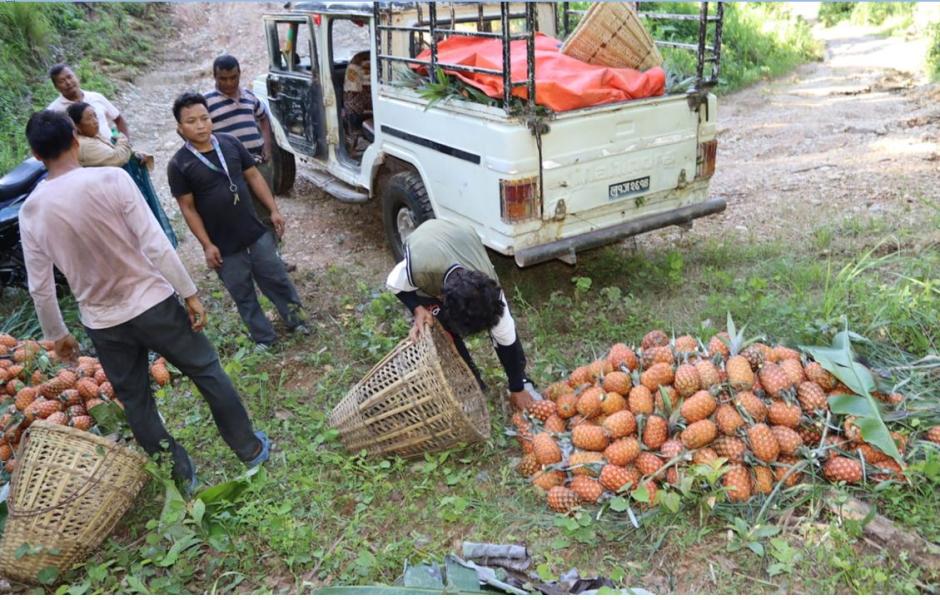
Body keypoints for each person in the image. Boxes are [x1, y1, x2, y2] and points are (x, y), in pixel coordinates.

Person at [20, 110, 270, 491]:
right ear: (75, 141)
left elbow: (41, 286)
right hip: (152, 303)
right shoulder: (110, 178)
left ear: (36, 156)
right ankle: (250, 450)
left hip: (103, 321)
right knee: (207, 371)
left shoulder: (32, 210)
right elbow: (154, 243)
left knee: (137, 401)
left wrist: (58, 334)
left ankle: (181, 479)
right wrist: (189, 292)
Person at [167, 92, 308, 349]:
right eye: (191, 121)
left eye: (204, 118)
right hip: (223, 244)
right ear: (180, 128)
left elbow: (253, 176)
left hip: (254, 231)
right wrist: (207, 245)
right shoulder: (179, 164)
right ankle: (265, 338)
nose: (200, 125)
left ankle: (297, 320)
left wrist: (273, 210)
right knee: (243, 294)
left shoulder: (229, 143)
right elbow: (187, 208)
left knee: (276, 277)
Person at [385, 219, 536, 408]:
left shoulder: (489, 287)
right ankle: (471, 382)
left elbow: (507, 338)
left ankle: (521, 378)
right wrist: (417, 309)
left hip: (458, 235)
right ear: (441, 297)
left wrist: (517, 387)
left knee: (504, 333)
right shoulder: (419, 270)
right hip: (426, 241)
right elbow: (393, 284)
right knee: (443, 330)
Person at [66, 101, 178, 247]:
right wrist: (122, 139)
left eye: (95, 116)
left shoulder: (94, 137)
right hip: (111, 201)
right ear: (77, 126)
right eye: (89, 118)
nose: (95, 121)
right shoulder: (84, 145)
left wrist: (134, 155)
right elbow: (117, 157)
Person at [203, 57, 278, 233]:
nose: (229, 83)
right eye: (223, 78)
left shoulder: (249, 96)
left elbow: (263, 117)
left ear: (239, 74)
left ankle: (273, 257)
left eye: (233, 77)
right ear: (214, 77)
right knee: (235, 215)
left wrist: (267, 146)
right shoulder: (205, 102)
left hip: (258, 164)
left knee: (267, 211)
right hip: (228, 170)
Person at [47, 63, 129, 140]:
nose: (68, 82)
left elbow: (118, 119)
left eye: (69, 77)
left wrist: (126, 143)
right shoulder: (54, 111)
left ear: (77, 77)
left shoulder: (96, 97)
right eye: (62, 81)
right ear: (56, 87)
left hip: (112, 149)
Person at [342, 50, 373, 155]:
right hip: (371, 107)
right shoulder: (386, 56)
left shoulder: (359, 60)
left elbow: (351, 97)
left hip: (360, 109)